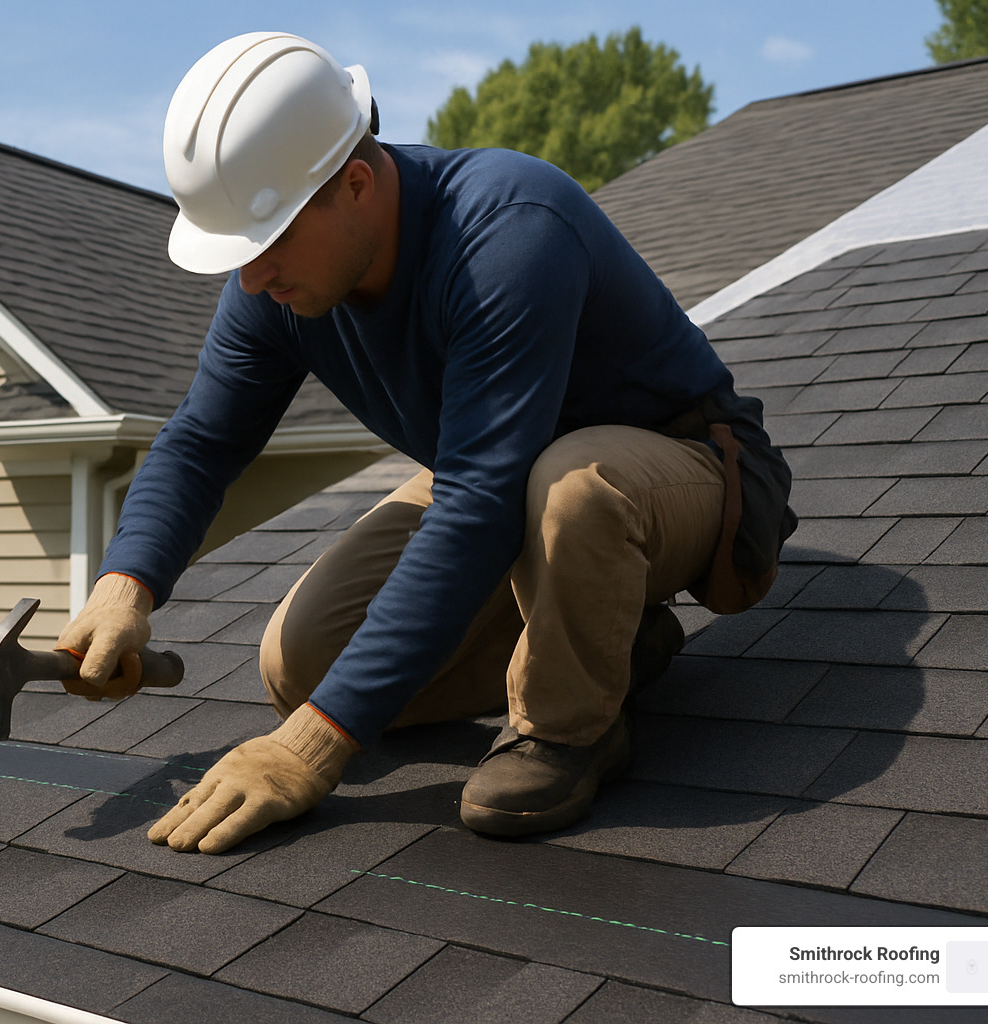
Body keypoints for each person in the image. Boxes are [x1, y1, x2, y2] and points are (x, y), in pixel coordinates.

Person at [55, 32, 796, 855]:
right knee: (296, 664)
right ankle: (606, 636)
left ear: (357, 184)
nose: (253, 277)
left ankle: (570, 728)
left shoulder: (507, 229)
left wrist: (310, 750)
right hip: (497, 474)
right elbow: (201, 441)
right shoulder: (274, 285)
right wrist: (126, 584)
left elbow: (479, 504)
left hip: (682, 466)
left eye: (266, 243)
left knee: (570, 488)